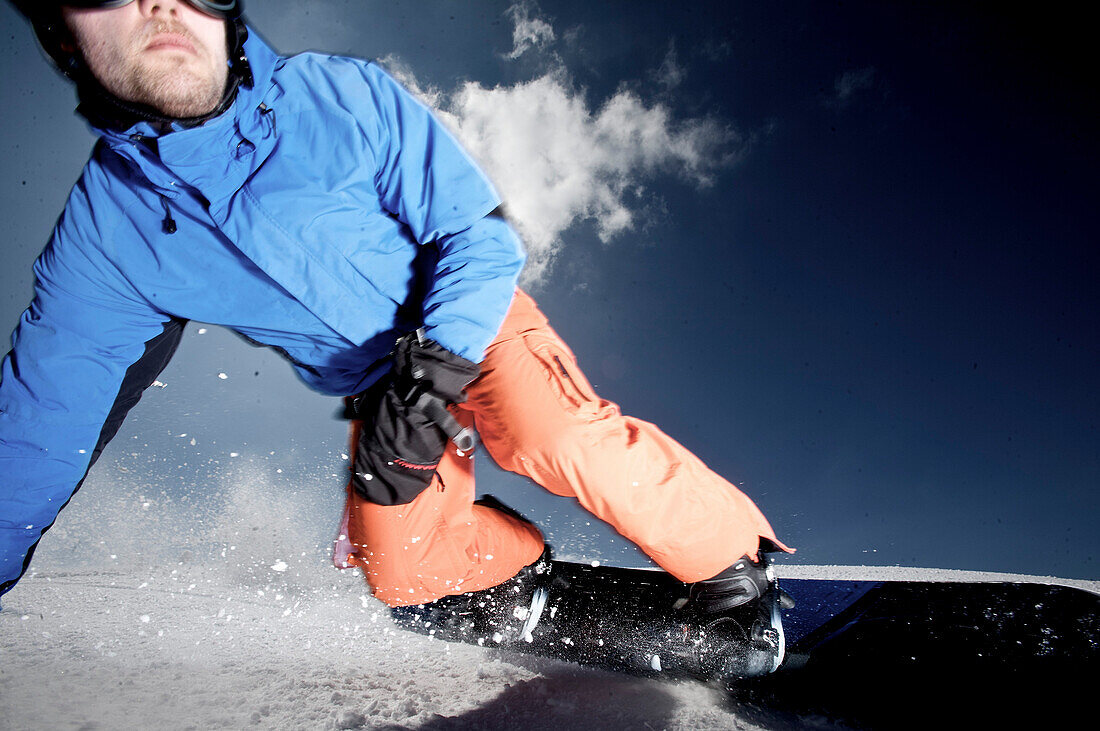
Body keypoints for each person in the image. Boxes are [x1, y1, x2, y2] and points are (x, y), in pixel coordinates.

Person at [0, 0, 789, 629]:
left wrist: (433, 375)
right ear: (60, 33)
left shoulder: (336, 96)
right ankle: (512, 563)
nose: (162, 3)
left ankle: (735, 560)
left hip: (476, 323)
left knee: (547, 436)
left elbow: (475, 238)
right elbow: (42, 420)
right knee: (402, 574)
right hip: (383, 394)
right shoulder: (110, 235)